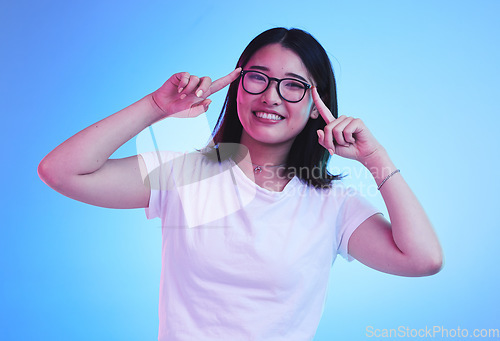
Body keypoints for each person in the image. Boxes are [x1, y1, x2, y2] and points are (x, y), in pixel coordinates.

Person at [38, 27, 443, 340]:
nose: (271, 96)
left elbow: (423, 260)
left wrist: (377, 160)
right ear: (236, 87)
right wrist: (157, 106)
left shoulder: (334, 204)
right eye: (258, 79)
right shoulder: (183, 175)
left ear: (317, 106)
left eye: (293, 86)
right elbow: (60, 171)